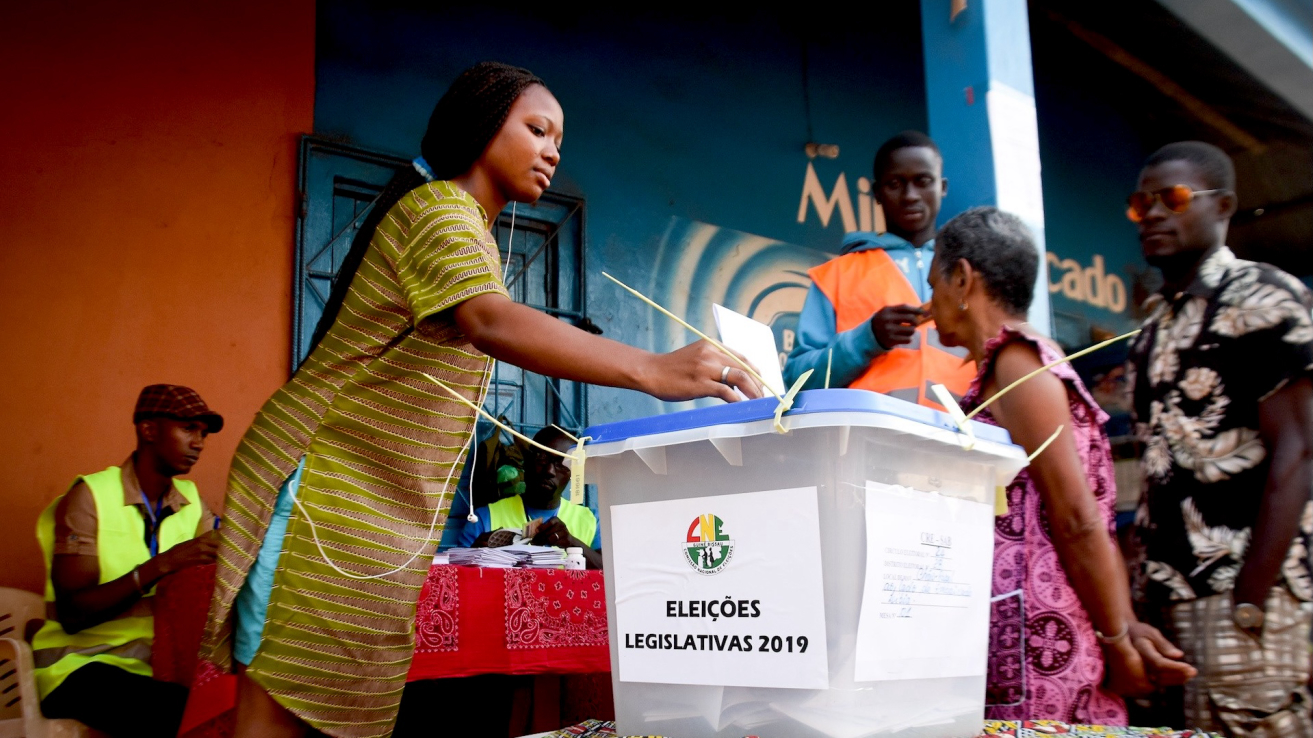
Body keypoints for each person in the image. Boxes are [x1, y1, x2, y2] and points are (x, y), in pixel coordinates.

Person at [199, 61, 762, 738]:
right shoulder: (438, 211)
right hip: (321, 485)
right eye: (537, 128)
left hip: (369, 503)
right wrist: (650, 368)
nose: (554, 150)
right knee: (285, 702)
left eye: (559, 138)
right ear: (480, 123)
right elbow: (490, 321)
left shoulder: (467, 229)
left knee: (333, 700)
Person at [927, 207, 1196, 723]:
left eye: (934, 280)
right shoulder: (1015, 364)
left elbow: (1076, 516)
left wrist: (1117, 638)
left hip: (1039, 641)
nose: (929, 299)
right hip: (1030, 628)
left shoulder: (1017, 365)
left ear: (962, 278)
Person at [1126, 141, 1313, 736]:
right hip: (1164, 604)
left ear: (1224, 205)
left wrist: (1252, 596)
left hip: (1244, 595)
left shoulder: (1263, 296)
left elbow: (1302, 450)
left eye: (1173, 198)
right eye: (1141, 204)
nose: (1153, 213)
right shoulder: (1152, 328)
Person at [32, 384, 222, 738]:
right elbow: (73, 615)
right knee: (180, 712)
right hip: (79, 666)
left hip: (156, 668)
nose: (199, 443)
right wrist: (162, 565)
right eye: (188, 429)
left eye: (203, 433)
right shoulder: (89, 497)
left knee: (231, 700)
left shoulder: (193, 504)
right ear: (148, 430)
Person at [784, 131, 976, 409]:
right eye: (895, 184)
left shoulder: (971, 273)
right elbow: (795, 382)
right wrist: (868, 337)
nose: (910, 196)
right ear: (877, 193)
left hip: (966, 444)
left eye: (923, 181)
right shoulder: (839, 274)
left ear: (942, 187)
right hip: (864, 443)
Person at [458, 426, 603, 569]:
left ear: (573, 472)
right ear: (526, 461)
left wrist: (571, 542)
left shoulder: (591, 521)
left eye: (562, 463)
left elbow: (613, 574)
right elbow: (455, 578)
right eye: (542, 458)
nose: (549, 471)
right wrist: (474, 556)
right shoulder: (485, 518)